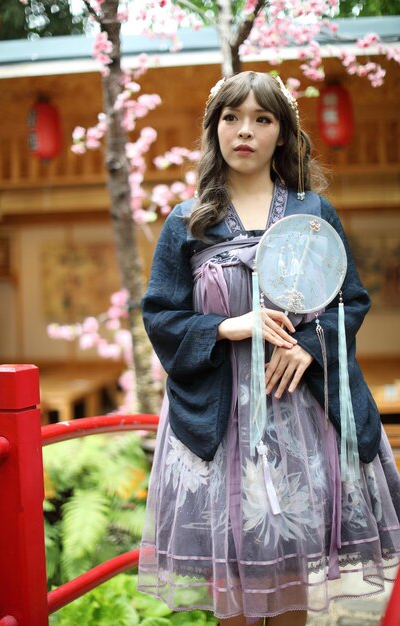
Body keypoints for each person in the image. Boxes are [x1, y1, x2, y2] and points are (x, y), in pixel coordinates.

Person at [137, 71, 400, 626]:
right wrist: (231, 326)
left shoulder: (314, 214)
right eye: (232, 118)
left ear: (282, 133)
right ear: (215, 130)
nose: (245, 131)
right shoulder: (188, 221)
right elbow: (161, 315)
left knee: (289, 579)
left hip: (300, 422)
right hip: (222, 418)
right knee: (230, 577)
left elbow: (349, 301)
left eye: (262, 119)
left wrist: (309, 345)